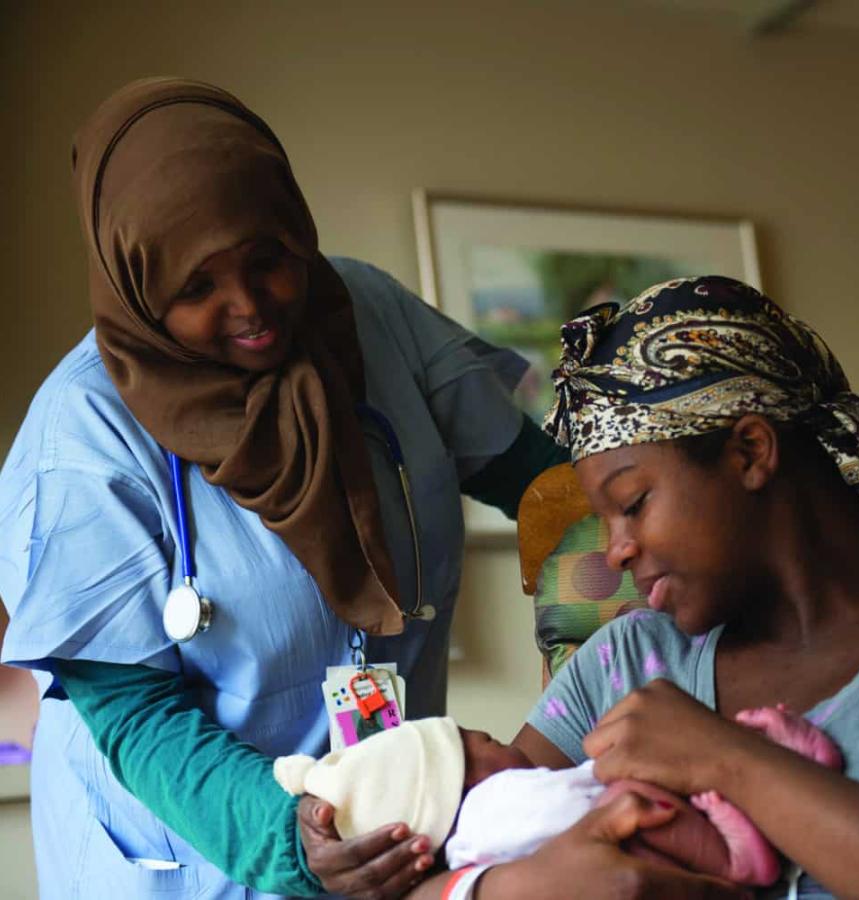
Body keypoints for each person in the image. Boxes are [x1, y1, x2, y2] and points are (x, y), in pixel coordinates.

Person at [383, 274, 859, 900]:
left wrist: (726, 759)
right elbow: (459, 847)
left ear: (750, 451)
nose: (614, 552)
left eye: (634, 503)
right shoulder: (625, 662)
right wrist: (515, 891)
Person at [0, 77, 564, 899]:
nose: (251, 306)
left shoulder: (370, 316)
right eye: (197, 289)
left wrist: (585, 672)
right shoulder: (83, 441)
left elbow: (557, 493)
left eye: (270, 259)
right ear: (138, 285)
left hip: (393, 834)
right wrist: (291, 840)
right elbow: (132, 714)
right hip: (191, 862)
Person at [274, 708, 842, 887]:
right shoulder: (495, 806)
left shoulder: (470, 854)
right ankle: (736, 856)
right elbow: (572, 806)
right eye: (489, 741)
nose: (509, 746)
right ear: (462, 784)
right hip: (674, 862)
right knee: (633, 789)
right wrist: (607, 773)